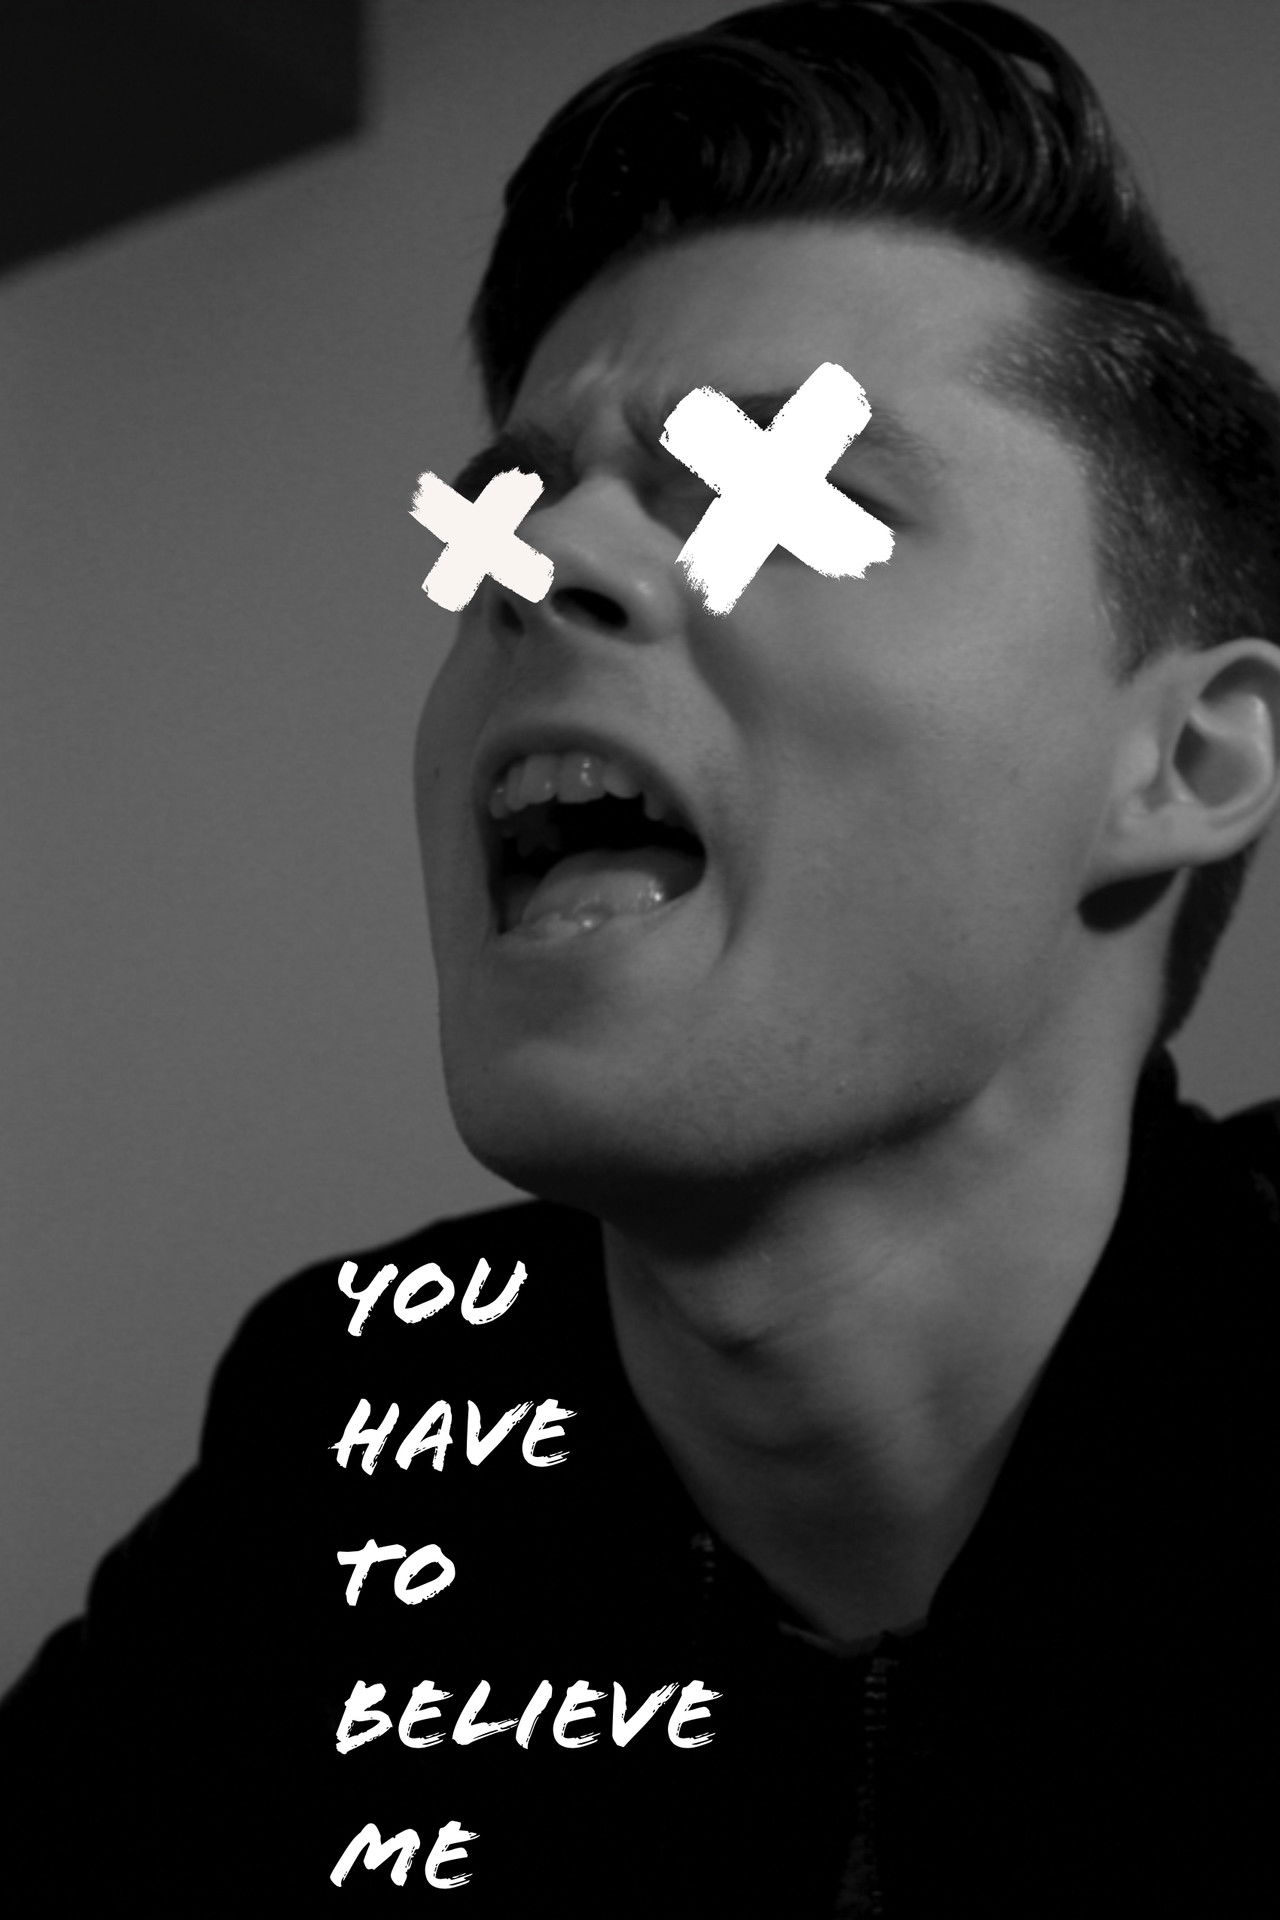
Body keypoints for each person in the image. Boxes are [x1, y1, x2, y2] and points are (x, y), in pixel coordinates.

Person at [4, 2, 1278, 1912]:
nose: (547, 564)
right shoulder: (348, 1463)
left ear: (1185, 763)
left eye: (785, 495)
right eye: (506, 520)